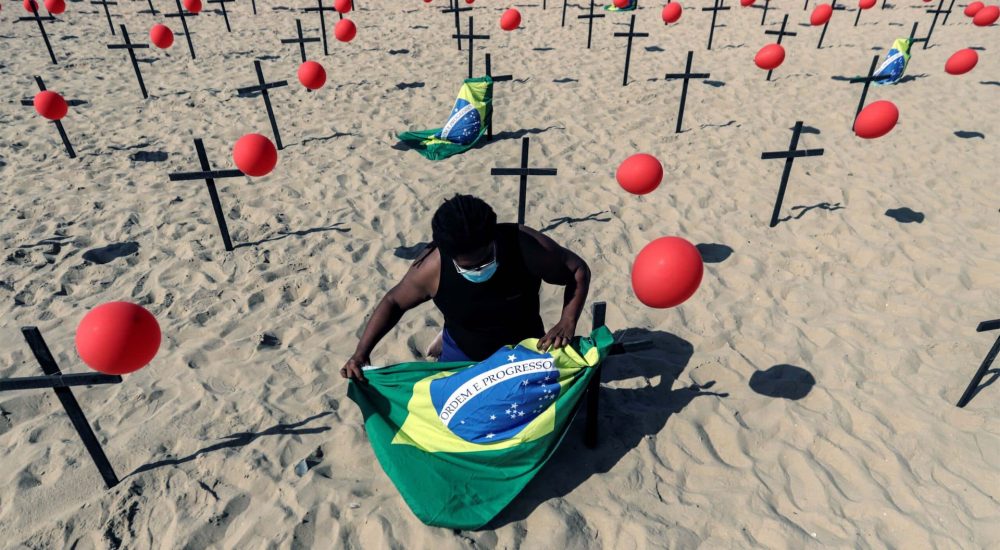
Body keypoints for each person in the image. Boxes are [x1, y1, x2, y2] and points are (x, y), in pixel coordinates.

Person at [341, 194, 591, 382]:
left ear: (493, 239)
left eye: (485, 259)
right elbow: (393, 302)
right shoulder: (431, 268)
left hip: (524, 349)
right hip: (462, 353)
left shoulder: (524, 246)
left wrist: (567, 320)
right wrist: (361, 353)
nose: (479, 269)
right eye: (469, 266)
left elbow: (577, 271)